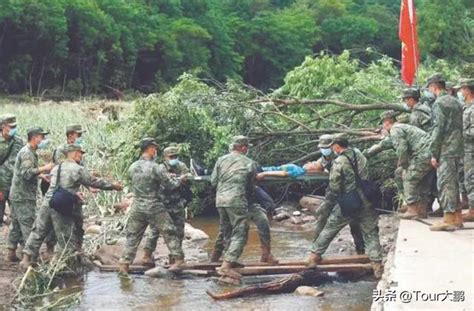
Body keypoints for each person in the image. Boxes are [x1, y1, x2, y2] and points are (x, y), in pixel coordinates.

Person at [21, 144, 123, 267]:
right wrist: (113, 186)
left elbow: (61, 185)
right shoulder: (77, 169)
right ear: (74, 153)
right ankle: (68, 264)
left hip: (48, 202)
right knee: (65, 235)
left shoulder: (56, 168)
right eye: (80, 153)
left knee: (38, 230)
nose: (81, 156)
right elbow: (93, 182)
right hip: (61, 205)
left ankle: (26, 259)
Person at [306, 137, 384, 279]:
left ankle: (313, 257)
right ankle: (377, 266)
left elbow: (334, 184)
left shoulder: (339, 161)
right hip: (367, 198)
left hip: (350, 201)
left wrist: (338, 196)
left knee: (330, 228)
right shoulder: (358, 154)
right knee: (371, 233)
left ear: (336, 146)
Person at [119, 138, 187, 274]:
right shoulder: (155, 167)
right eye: (154, 149)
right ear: (150, 149)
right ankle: (179, 260)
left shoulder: (132, 167)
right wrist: (180, 179)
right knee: (169, 231)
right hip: (154, 206)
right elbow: (170, 185)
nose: (155, 151)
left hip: (137, 206)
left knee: (133, 236)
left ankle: (124, 265)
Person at [211, 135, 257, 278]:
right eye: (247, 147)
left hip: (220, 200)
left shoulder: (221, 160)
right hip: (236, 200)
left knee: (227, 231)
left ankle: (230, 259)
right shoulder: (249, 162)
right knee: (240, 232)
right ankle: (226, 265)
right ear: (243, 148)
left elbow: (213, 181)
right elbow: (251, 186)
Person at [311, 134, 365, 255]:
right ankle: (315, 249)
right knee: (323, 215)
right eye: (322, 147)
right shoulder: (328, 156)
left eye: (326, 147)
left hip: (351, 191)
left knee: (354, 220)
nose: (324, 149)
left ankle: (361, 249)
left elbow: (360, 172)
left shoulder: (350, 155)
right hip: (334, 191)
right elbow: (320, 165)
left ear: (334, 145)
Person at [6, 127, 54, 262]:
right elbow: (26, 173)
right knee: (28, 225)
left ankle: (10, 252)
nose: (43, 140)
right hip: (23, 196)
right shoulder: (27, 153)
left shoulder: (29, 151)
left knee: (15, 224)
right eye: (42, 137)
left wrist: (41, 176)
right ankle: (31, 257)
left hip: (17, 194)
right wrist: (44, 168)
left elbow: (25, 172)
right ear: (34, 138)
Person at [427, 74, 464, 231]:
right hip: (457, 146)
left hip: (446, 148)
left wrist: (434, 152)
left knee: (445, 183)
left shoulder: (439, 103)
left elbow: (438, 129)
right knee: (454, 182)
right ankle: (457, 217)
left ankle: (449, 218)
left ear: (434, 87)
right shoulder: (455, 101)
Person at [142, 145, 191, 265]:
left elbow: (188, 179)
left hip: (177, 203)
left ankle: (174, 258)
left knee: (179, 231)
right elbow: (165, 184)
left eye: (176, 156)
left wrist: (186, 179)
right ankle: (147, 256)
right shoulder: (160, 168)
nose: (174, 158)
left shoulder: (182, 166)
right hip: (162, 204)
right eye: (171, 156)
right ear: (165, 157)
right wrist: (176, 179)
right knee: (155, 230)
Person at [381, 113, 435, 219]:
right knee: (422, 182)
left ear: (387, 122)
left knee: (408, 177)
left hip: (423, 154)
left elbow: (402, 149)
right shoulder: (403, 127)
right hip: (430, 153)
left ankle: (412, 208)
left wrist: (403, 164)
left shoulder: (395, 129)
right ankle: (421, 210)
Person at [210, 185, 279, 264]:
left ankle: (266, 254)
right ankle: (217, 255)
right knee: (226, 229)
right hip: (233, 202)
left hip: (248, 202)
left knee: (263, 220)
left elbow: (255, 181)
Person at [0, 114, 23, 227]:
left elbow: (17, 163)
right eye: (11, 127)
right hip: (1, 184)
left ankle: (16, 241)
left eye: (15, 126)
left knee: (17, 215)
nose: (14, 129)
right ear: (3, 126)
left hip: (14, 183)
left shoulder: (18, 141)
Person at [456, 78, 474, 221]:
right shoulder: (466, 107)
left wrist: (461, 133)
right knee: (465, 178)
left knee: (471, 179)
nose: (461, 92)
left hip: (471, 150)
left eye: (462, 89)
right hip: (466, 149)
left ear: (467, 90)